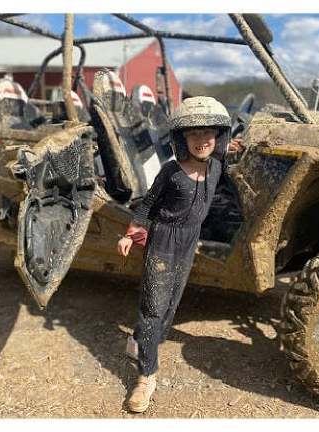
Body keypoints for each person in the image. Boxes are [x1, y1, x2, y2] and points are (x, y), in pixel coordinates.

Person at [116, 96, 234, 413]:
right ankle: (146, 377)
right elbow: (146, 205)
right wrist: (131, 234)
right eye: (193, 134)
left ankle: (139, 342)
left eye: (208, 134)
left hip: (189, 241)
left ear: (218, 137)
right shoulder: (171, 172)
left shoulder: (217, 168)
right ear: (181, 139)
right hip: (163, 241)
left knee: (170, 303)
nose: (201, 140)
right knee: (153, 306)